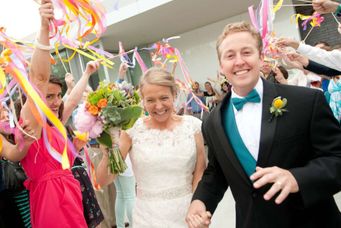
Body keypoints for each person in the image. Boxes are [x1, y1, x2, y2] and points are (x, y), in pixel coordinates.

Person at [186, 21, 341, 228]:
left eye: (246, 52)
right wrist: (201, 200)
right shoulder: (213, 121)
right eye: (230, 55)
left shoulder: (306, 101)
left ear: (260, 57)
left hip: (312, 222)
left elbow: (336, 158)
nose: (239, 61)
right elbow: (217, 172)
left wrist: (298, 178)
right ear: (221, 66)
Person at [96, 67, 206, 228]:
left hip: (187, 214)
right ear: (143, 100)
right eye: (150, 100)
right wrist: (107, 154)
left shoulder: (193, 126)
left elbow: (200, 172)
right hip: (147, 218)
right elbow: (103, 180)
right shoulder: (132, 130)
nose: (159, 106)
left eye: (164, 98)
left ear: (174, 95)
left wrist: (198, 208)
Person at [17, 1, 88, 227]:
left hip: (70, 197)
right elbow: (38, 79)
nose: (56, 102)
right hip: (51, 201)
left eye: (58, 96)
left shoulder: (53, 123)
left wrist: (87, 72)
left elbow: (73, 99)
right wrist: (45, 28)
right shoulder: (30, 123)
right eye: (49, 96)